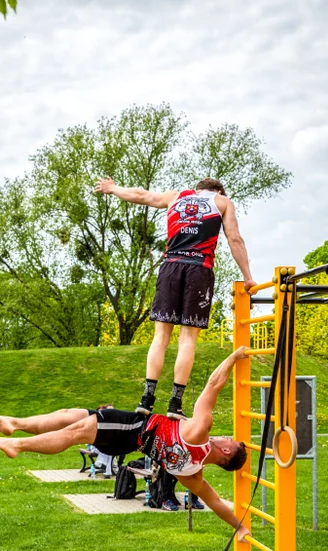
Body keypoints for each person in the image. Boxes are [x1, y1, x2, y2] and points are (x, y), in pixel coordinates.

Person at [0, 347, 252, 540]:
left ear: (227, 450)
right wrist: (239, 527)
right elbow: (216, 503)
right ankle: (14, 422)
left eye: (231, 440)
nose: (226, 437)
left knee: (73, 431)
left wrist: (233, 357)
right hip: (126, 440)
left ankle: (18, 445)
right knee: (67, 416)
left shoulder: (199, 431)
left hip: (130, 429)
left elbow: (213, 384)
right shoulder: (194, 475)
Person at [95, 176, 257, 419]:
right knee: (187, 338)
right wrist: (248, 277)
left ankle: (147, 399)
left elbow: (141, 196)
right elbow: (235, 239)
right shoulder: (222, 202)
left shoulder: (176, 196)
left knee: (161, 336)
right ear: (218, 191)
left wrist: (113, 188)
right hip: (199, 269)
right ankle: (175, 403)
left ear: (197, 188)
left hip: (170, 267)